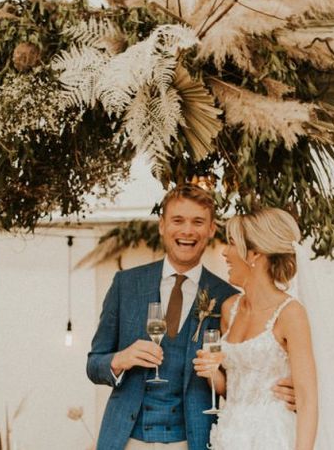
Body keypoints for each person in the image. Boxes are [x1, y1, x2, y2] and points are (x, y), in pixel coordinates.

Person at [87, 185, 296, 450]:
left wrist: (285, 394)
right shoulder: (125, 284)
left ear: (211, 230)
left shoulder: (228, 298)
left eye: (198, 222)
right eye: (178, 220)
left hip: (193, 440)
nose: (187, 231)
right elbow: (94, 364)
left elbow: (247, 372)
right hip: (125, 439)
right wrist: (119, 360)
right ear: (162, 225)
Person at [193, 207, 319, 450]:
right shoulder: (229, 309)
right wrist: (212, 373)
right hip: (230, 434)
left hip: (272, 437)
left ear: (254, 254)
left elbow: (308, 400)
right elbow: (231, 387)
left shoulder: (291, 314)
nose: (225, 253)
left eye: (231, 244)